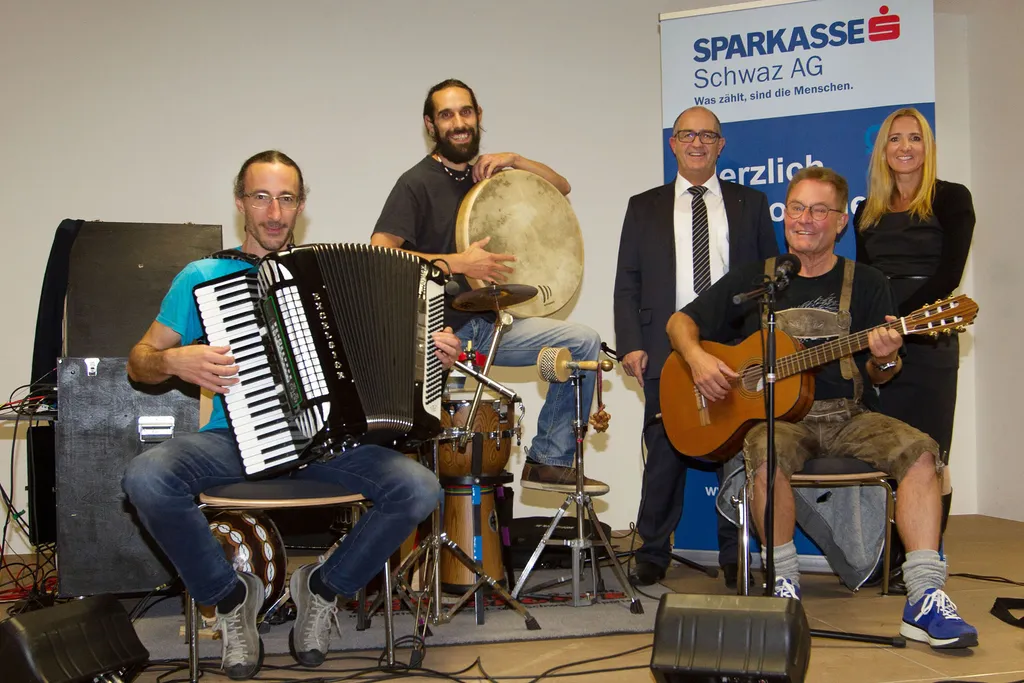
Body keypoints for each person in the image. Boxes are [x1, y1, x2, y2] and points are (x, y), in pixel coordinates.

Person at [122, 150, 461, 679]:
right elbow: (138, 362)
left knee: (418, 488)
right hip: (234, 439)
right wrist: (172, 360)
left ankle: (323, 588)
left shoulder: (330, 271)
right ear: (241, 204)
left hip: (330, 445)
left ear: (301, 205)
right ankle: (231, 598)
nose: (274, 212)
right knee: (146, 476)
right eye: (261, 197)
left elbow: (398, 356)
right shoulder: (203, 274)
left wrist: (431, 351)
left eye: (286, 198)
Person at [667, 166, 978, 650]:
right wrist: (698, 358)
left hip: (847, 416)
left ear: (840, 223)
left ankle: (923, 597)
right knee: (766, 453)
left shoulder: (868, 282)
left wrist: (886, 355)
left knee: (921, 452)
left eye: (818, 210)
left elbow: (881, 376)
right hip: (779, 420)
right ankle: (785, 585)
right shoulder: (759, 277)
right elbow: (680, 322)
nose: (805, 219)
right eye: (796, 208)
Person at [371, 78, 607, 494]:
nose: (458, 122)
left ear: (479, 117)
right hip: (442, 335)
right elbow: (380, 253)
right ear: (431, 125)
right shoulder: (416, 182)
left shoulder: (494, 174)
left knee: (584, 342)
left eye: (466, 111)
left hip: (494, 326)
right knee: (436, 453)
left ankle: (548, 460)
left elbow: (562, 187)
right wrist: (457, 263)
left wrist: (515, 158)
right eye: (446, 115)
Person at [613, 106, 779, 588]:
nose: (698, 143)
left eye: (708, 136)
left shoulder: (751, 203)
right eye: (688, 134)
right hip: (664, 346)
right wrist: (630, 343)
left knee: (736, 445)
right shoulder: (643, 206)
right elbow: (628, 282)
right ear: (674, 143)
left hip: (734, 344)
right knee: (665, 445)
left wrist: (764, 343)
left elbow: (770, 279)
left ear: (721, 145)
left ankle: (735, 553)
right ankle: (652, 549)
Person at [854, 108, 974, 524]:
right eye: (895, 138)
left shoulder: (953, 198)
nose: (905, 147)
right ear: (883, 150)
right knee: (887, 453)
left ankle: (929, 550)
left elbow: (949, 274)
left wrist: (899, 322)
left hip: (930, 337)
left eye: (915, 138)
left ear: (928, 147)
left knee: (931, 452)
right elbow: (865, 279)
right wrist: (876, 330)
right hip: (881, 346)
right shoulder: (866, 211)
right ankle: (892, 554)